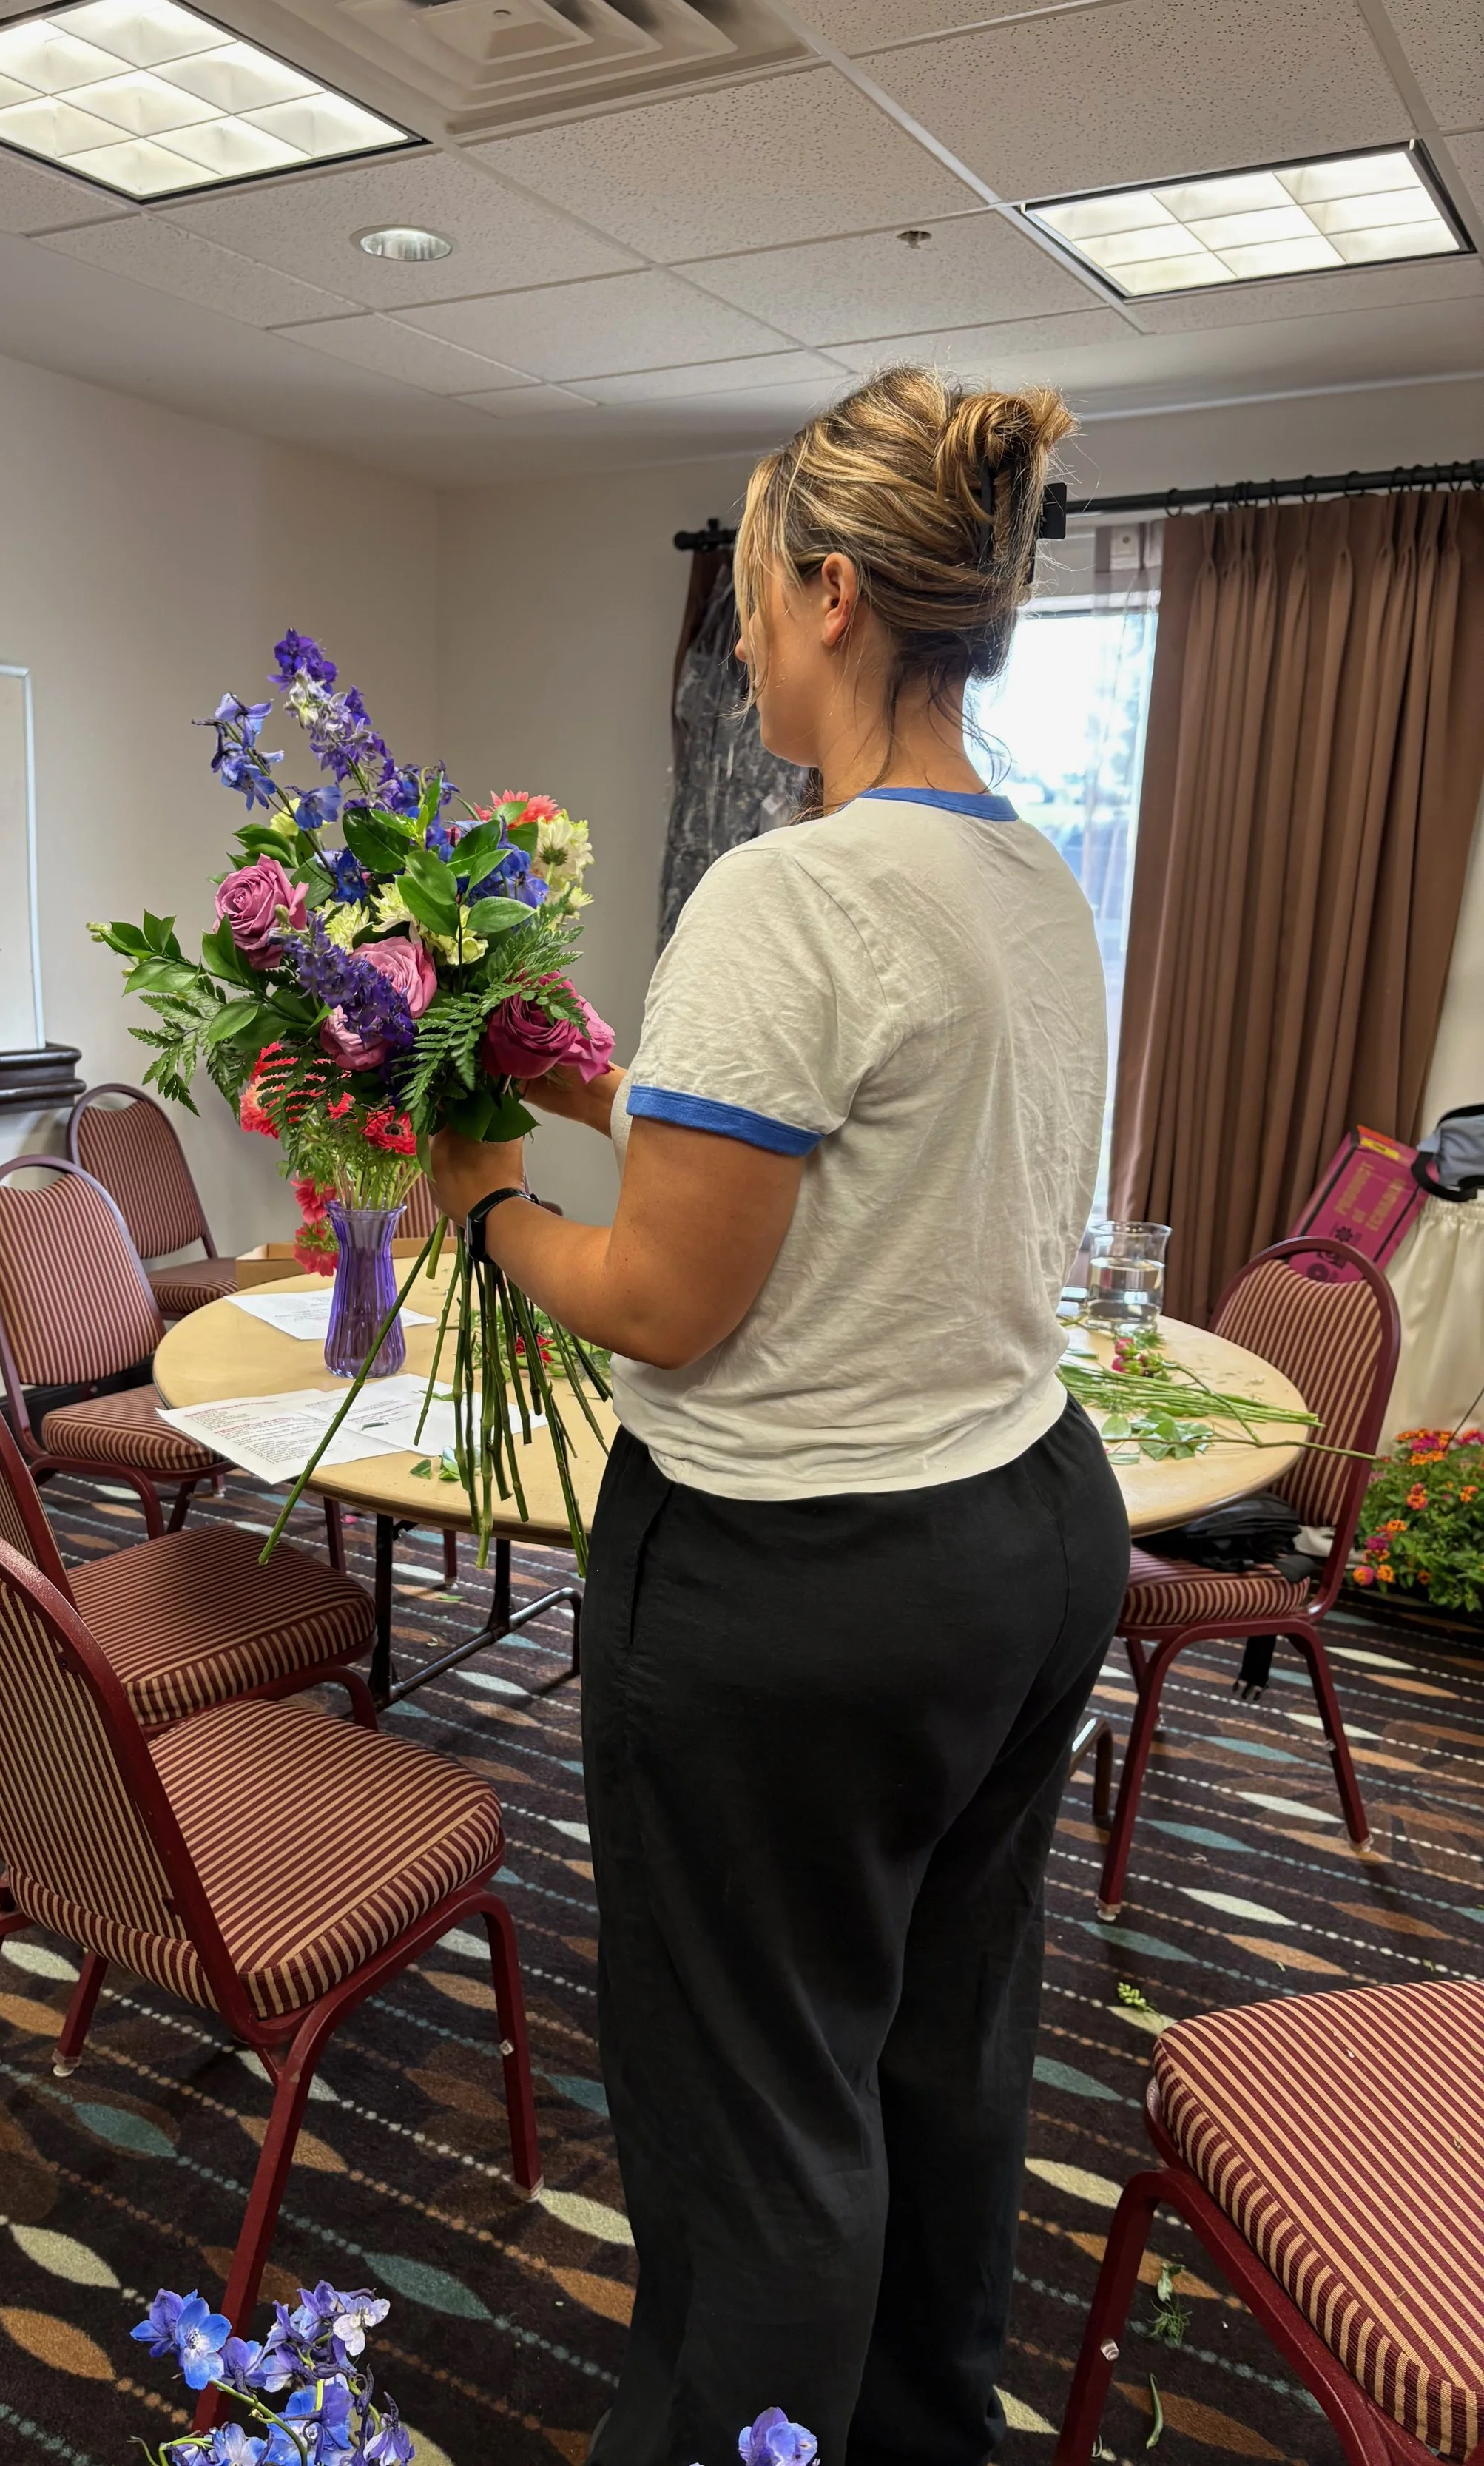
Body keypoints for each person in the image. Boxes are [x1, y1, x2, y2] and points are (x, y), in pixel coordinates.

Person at [427, 368, 1130, 2466]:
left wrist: (483, 1211)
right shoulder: (1031, 878)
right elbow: (853, 1150)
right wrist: (592, 1080)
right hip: (1022, 1531)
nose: (734, 636)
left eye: (744, 593)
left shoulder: (781, 892)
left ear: (828, 591)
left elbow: (665, 1296)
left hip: (794, 1588)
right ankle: (916, 2426)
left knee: (753, 2103)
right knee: (930, 2043)